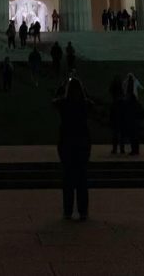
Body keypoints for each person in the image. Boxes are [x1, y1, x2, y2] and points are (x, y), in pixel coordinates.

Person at [53, 77, 91, 221]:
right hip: (82, 142)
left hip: (67, 142)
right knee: (82, 178)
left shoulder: (64, 104)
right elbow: (91, 103)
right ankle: (83, 211)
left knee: (68, 178)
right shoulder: (84, 104)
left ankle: (68, 210)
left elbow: (54, 101)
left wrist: (62, 88)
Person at [122, 75, 144, 155]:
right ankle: (136, 150)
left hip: (132, 123)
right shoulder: (137, 105)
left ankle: (134, 150)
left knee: (132, 137)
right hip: (136, 123)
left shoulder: (129, 105)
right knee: (135, 138)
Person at [108, 75, 125, 154]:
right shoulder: (121, 101)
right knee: (121, 133)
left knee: (116, 133)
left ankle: (116, 149)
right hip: (120, 115)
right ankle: (121, 149)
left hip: (116, 115)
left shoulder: (114, 102)